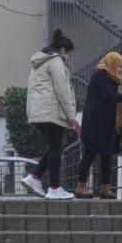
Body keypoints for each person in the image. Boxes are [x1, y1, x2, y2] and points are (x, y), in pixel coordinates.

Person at [74, 52, 122, 199]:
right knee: (89, 155)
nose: (121, 69)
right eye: (119, 66)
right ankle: (81, 186)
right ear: (112, 64)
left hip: (105, 125)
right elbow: (109, 97)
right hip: (95, 124)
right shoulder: (100, 77)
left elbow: (112, 99)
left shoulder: (112, 80)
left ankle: (105, 188)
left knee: (106, 156)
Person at [22, 29, 78, 200]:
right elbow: (62, 90)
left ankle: (34, 177)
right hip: (51, 112)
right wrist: (70, 116)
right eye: (69, 54)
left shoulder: (40, 62)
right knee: (56, 148)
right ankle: (54, 188)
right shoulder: (55, 62)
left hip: (38, 112)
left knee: (55, 147)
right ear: (63, 50)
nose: (69, 58)